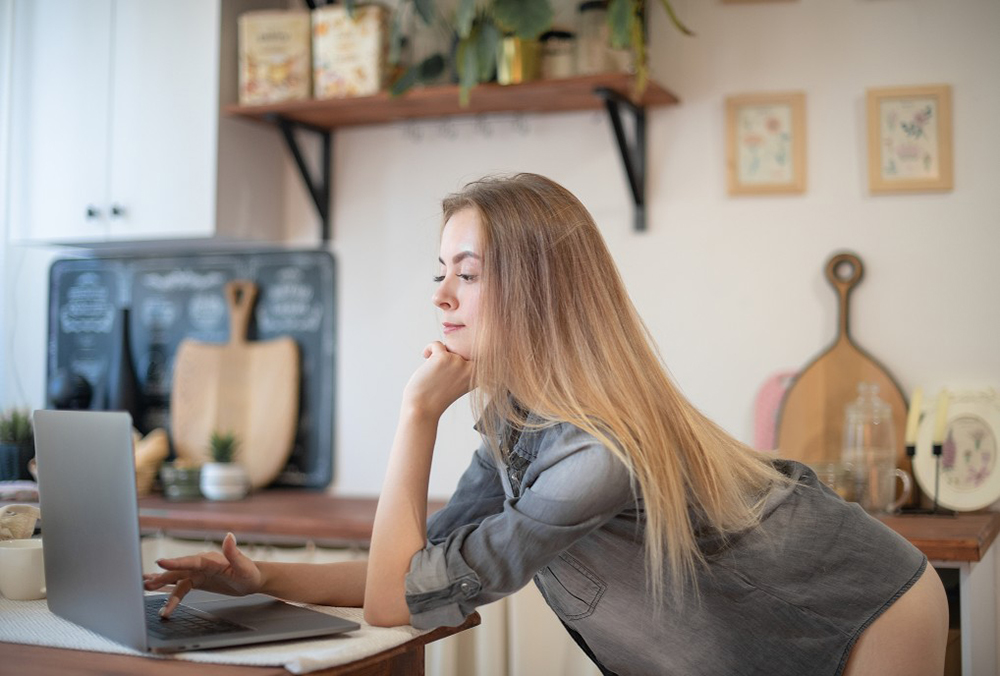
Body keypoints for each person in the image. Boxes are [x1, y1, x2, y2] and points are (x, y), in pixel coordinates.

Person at [146, 173, 948, 676]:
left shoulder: (592, 456)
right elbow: (419, 576)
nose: (441, 297)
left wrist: (417, 414)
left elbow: (399, 600)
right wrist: (264, 577)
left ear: (537, 291)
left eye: (467, 274)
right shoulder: (517, 424)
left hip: (869, 606)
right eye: (441, 272)